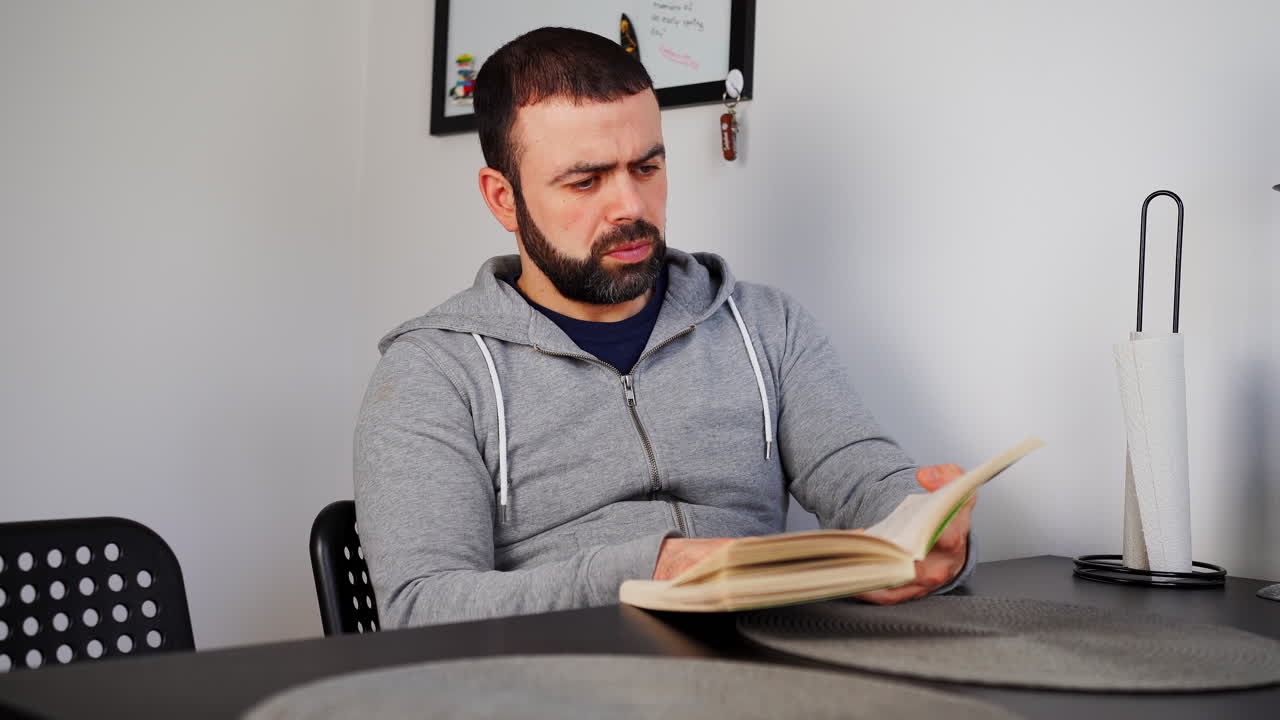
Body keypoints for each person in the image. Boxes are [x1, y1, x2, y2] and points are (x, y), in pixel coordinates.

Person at [354, 27, 975, 628]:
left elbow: (862, 475)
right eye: (586, 180)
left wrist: (922, 525)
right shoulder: (432, 373)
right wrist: (648, 571)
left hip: (769, 671)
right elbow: (421, 607)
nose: (630, 206)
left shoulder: (765, 325)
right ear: (502, 198)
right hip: (563, 685)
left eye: (647, 168)